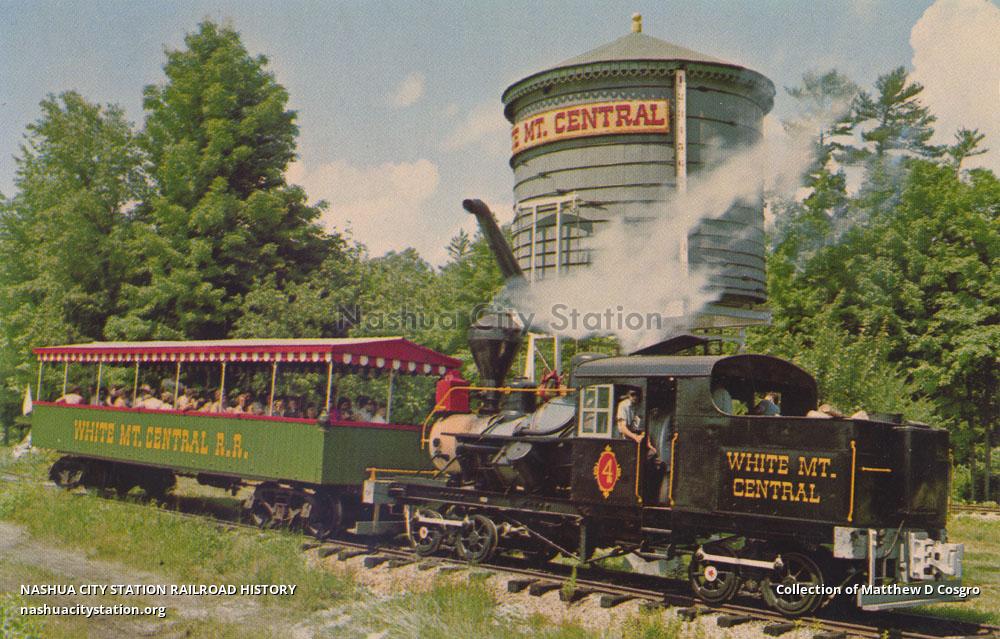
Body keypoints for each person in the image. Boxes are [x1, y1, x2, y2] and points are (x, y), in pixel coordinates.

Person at [617, 389, 656, 455]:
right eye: (633, 394)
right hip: (624, 438)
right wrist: (635, 437)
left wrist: (648, 442)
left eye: (637, 395)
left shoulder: (641, 406)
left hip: (636, 436)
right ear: (629, 395)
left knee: (652, 453)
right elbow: (623, 428)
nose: (635, 397)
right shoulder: (623, 405)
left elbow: (644, 427)